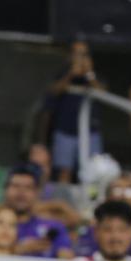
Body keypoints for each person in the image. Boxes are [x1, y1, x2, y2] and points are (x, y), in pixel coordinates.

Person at [43, 39, 101, 183]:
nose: (80, 58)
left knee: (92, 172)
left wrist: (89, 74)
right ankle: (64, 203)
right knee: (64, 171)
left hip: (90, 132)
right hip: (65, 130)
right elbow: (53, 91)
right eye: (76, 53)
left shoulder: (94, 75)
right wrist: (70, 74)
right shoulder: (62, 73)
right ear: (70, 55)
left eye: (84, 54)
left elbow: (102, 93)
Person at [2, 165, 73, 258]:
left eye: (28, 187)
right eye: (16, 186)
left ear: (37, 193)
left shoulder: (54, 227)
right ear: (5, 190)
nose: (21, 192)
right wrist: (17, 250)